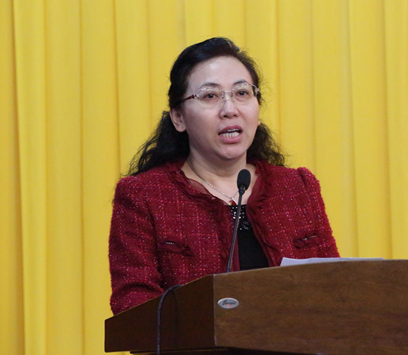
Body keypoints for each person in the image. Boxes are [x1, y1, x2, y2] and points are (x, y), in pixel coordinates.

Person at [109, 37, 339, 315]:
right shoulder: (144, 195)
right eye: (210, 96)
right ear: (179, 118)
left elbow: (336, 288)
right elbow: (133, 305)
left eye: (242, 93)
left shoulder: (297, 187)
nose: (230, 109)